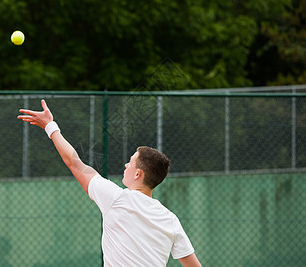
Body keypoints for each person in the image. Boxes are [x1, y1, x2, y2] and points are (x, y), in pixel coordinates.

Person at [18, 99, 202, 267]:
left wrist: (50, 126)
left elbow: (74, 162)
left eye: (130, 161)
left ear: (138, 173)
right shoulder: (170, 220)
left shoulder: (116, 198)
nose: (126, 164)